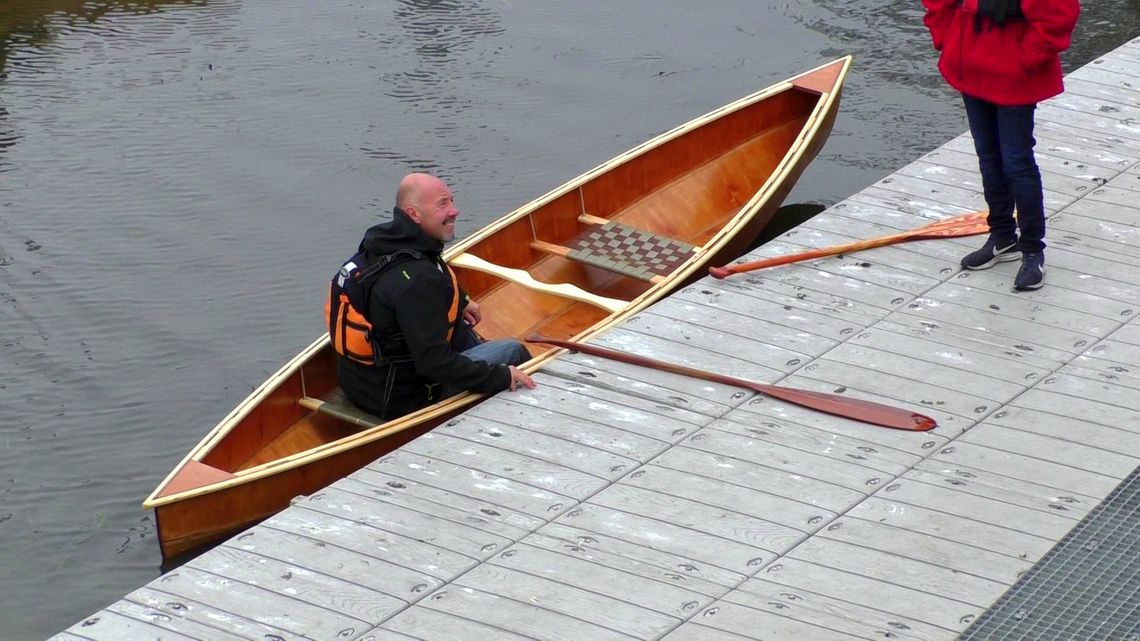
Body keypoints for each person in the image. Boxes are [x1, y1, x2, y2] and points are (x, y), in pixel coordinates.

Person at [327, 172, 535, 421]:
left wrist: (462, 300)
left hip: (361, 386)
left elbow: (401, 296)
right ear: (414, 214)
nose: (454, 211)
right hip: (405, 400)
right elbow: (434, 364)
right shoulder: (417, 282)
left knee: (458, 325)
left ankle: (480, 357)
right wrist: (501, 376)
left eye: (452, 201)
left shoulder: (380, 244)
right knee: (513, 350)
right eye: (442, 204)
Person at [923, 0, 1079, 290]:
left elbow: (1058, 17)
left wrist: (1024, 60)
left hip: (1014, 74)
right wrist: (949, 38)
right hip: (969, 63)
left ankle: (1032, 250)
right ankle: (1003, 236)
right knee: (988, 155)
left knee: (1017, 161)